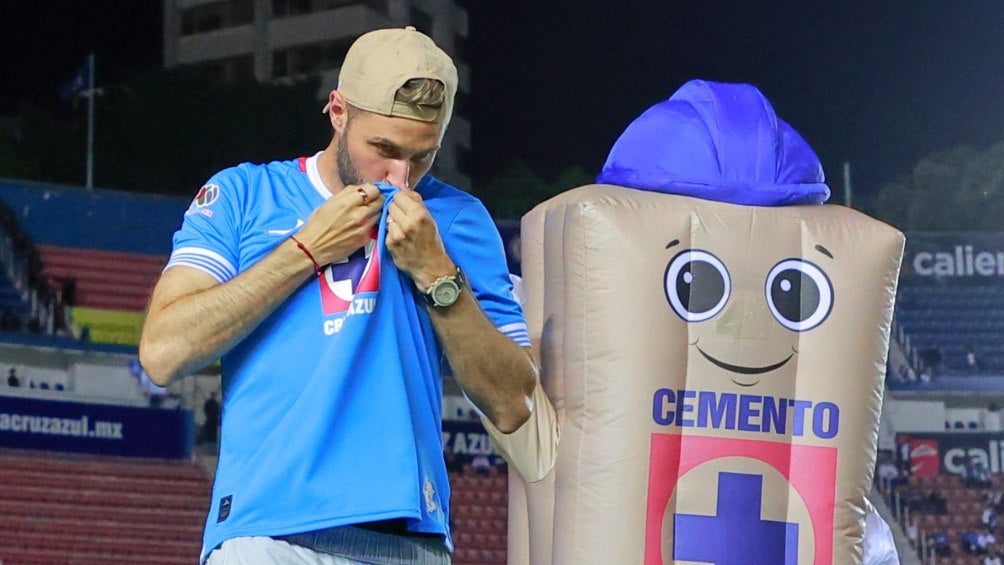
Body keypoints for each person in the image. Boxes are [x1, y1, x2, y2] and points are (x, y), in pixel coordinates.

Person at [138, 26, 537, 565]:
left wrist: (439, 276)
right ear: (338, 112)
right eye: (384, 149)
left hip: (408, 543)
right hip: (265, 537)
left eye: (423, 156)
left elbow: (513, 404)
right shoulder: (243, 195)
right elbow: (163, 353)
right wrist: (304, 250)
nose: (401, 176)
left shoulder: (461, 221)